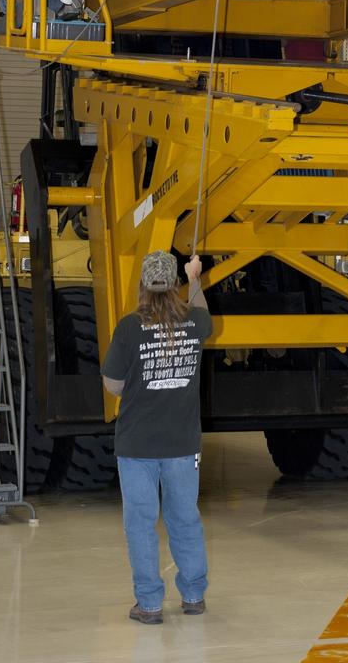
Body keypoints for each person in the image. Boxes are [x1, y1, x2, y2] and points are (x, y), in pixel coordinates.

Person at [102, 251, 212, 626]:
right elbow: (203, 313)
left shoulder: (129, 328)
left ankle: (149, 603)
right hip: (182, 445)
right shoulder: (196, 323)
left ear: (143, 287)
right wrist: (195, 277)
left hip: (137, 445)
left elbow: (113, 384)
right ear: (175, 286)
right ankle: (194, 595)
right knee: (185, 519)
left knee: (141, 523)